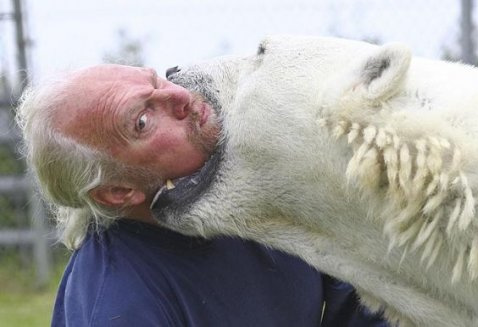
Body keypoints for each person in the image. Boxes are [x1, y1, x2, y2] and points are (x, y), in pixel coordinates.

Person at [16, 64, 388, 326]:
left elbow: (372, 304)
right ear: (118, 191)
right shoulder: (117, 305)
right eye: (142, 121)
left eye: (155, 79)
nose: (180, 94)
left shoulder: (266, 182)